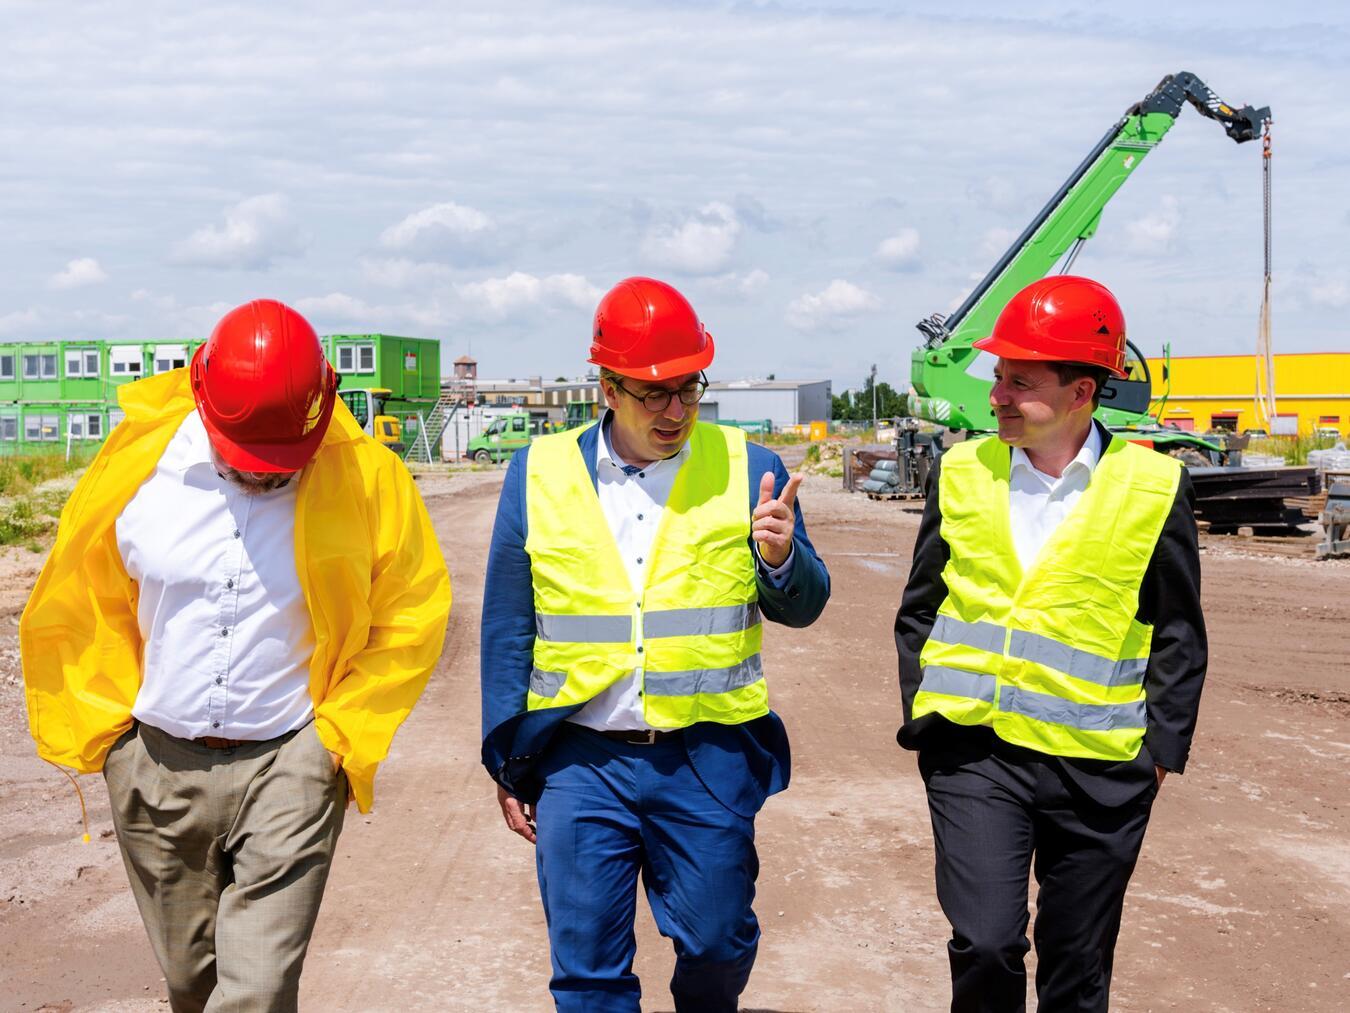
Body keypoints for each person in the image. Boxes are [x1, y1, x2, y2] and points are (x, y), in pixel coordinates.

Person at [21, 300, 451, 1013]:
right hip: (154, 765)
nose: (264, 479)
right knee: (194, 985)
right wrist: (113, 739)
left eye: (281, 466)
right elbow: (81, 594)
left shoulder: (368, 477)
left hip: (292, 762)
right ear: (202, 398)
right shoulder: (136, 466)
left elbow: (412, 610)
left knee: (256, 992)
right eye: (246, 462)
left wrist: (335, 741)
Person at [481, 277, 830, 1012]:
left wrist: (780, 560)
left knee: (716, 941)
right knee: (587, 973)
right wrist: (506, 759)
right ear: (606, 388)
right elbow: (509, 626)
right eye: (653, 392)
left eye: (689, 389)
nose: (675, 410)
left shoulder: (750, 466)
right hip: (581, 759)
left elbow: (808, 602)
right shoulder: (536, 474)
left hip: (704, 760)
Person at [895, 275, 1207, 1012]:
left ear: (1081, 392)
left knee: (1077, 964)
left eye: (1020, 381)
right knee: (987, 941)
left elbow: (1179, 630)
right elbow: (919, 609)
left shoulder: (1155, 487)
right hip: (975, 752)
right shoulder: (961, 472)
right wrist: (926, 712)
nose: (997, 394)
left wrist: (1158, 753)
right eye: (998, 376)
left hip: (1099, 772)